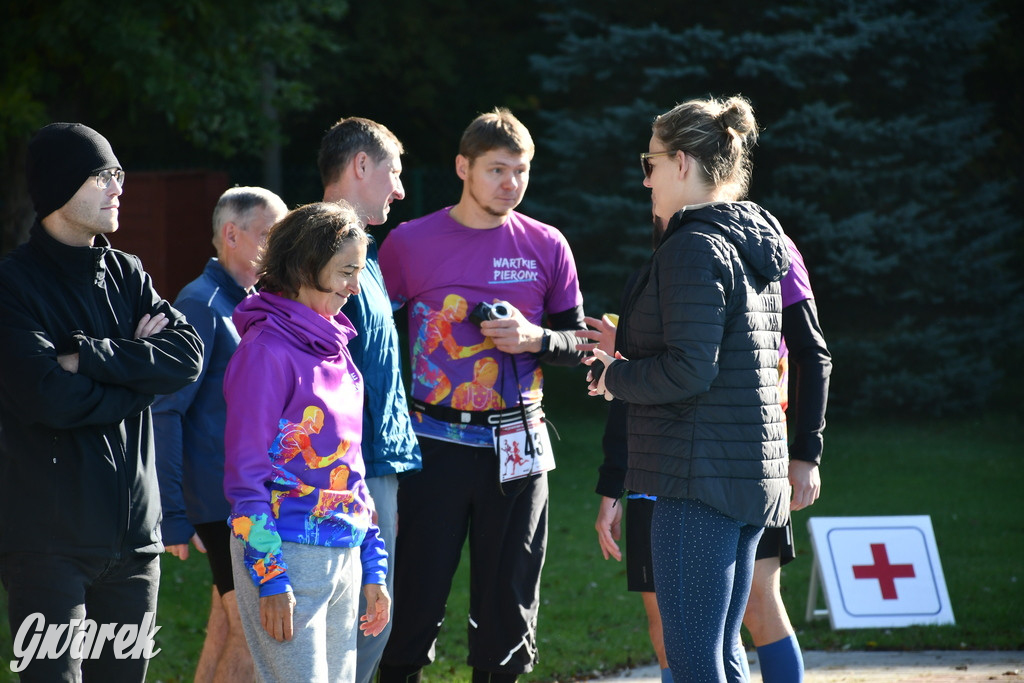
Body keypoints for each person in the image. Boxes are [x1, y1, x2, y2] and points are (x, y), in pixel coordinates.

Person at [585, 96, 791, 683]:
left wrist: (612, 376)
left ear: (681, 163)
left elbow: (689, 370)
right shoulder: (750, 240)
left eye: (649, 163)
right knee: (722, 653)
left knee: (697, 659)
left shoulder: (693, 246)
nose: (644, 178)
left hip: (697, 481)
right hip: (741, 476)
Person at [376, 108, 586, 683]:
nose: (510, 184)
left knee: (507, 608)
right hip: (430, 445)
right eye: (497, 170)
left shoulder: (547, 245)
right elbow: (366, 336)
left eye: (521, 172)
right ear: (463, 167)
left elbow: (579, 345)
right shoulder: (408, 243)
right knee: (412, 599)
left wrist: (533, 338)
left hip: (519, 445)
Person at [0, 122, 204, 681]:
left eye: (118, 172)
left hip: (136, 545)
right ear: (60, 186)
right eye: (101, 174)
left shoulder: (128, 271)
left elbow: (187, 357)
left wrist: (91, 357)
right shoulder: (13, 286)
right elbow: (49, 397)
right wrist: (140, 373)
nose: (119, 186)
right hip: (48, 547)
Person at [584, 233, 831, 683]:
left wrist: (807, 453)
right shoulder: (661, 260)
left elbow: (810, 352)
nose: (647, 181)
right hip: (659, 466)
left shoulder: (770, 249)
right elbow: (632, 379)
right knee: (670, 629)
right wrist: (612, 482)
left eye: (654, 165)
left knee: (752, 610)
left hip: (742, 462)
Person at [223, 201, 390, 682]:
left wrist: (372, 563)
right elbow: (244, 478)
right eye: (345, 272)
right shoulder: (264, 353)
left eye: (359, 272)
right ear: (302, 268)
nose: (355, 288)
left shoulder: (339, 350)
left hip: (345, 556)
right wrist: (270, 575)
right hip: (284, 558)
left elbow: (351, 470)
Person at [152, 186, 287, 682]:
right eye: (271, 234)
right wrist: (173, 514)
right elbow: (165, 411)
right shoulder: (201, 303)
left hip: (241, 499)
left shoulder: (249, 302)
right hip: (220, 503)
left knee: (228, 630)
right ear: (232, 235)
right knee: (257, 639)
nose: (280, 246)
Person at [317, 116, 422, 683]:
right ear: (361, 166)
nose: (400, 189)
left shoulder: (364, 254)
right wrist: (353, 475)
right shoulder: (319, 253)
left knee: (370, 625)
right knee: (356, 630)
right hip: (347, 470)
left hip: (378, 464)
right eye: (393, 172)